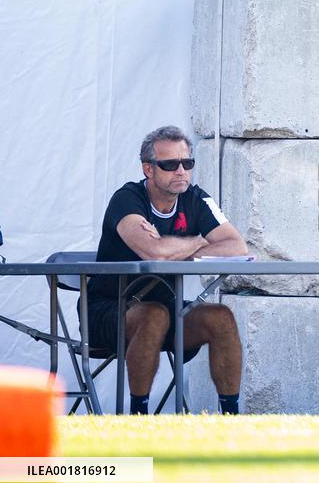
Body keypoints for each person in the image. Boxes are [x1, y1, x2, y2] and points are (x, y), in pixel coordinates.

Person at [87, 125, 247, 414]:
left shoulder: (195, 198)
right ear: (148, 169)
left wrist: (183, 246)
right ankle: (139, 418)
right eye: (170, 164)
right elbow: (154, 252)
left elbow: (236, 246)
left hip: (167, 308)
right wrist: (198, 240)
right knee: (154, 315)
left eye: (187, 163)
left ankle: (231, 419)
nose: (181, 171)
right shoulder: (127, 199)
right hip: (108, 312)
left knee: (220, 317)